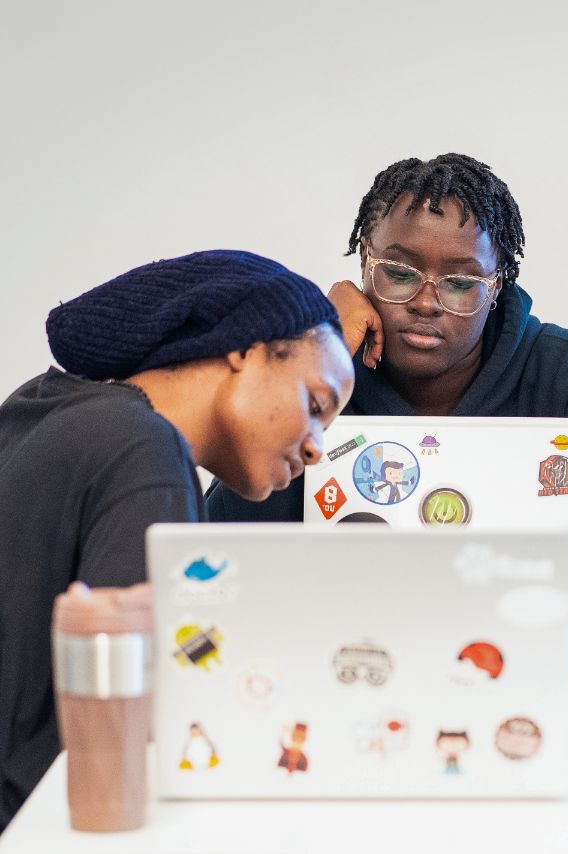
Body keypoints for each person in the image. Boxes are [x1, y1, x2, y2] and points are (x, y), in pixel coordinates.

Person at [205, 153, 568, 605]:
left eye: (460, 282)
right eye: (400, 272)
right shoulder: (319, 367)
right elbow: (213, 550)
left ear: (497, 284)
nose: (427, 302)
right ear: (364, 263)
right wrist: (319, 352)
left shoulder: (567, 374)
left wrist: (506, 562)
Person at [0, 250, 353, 831]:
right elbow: (146, 717)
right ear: (246, 349)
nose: (316, 447)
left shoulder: (44, 406)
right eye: (315, 406)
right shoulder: (145, 451)